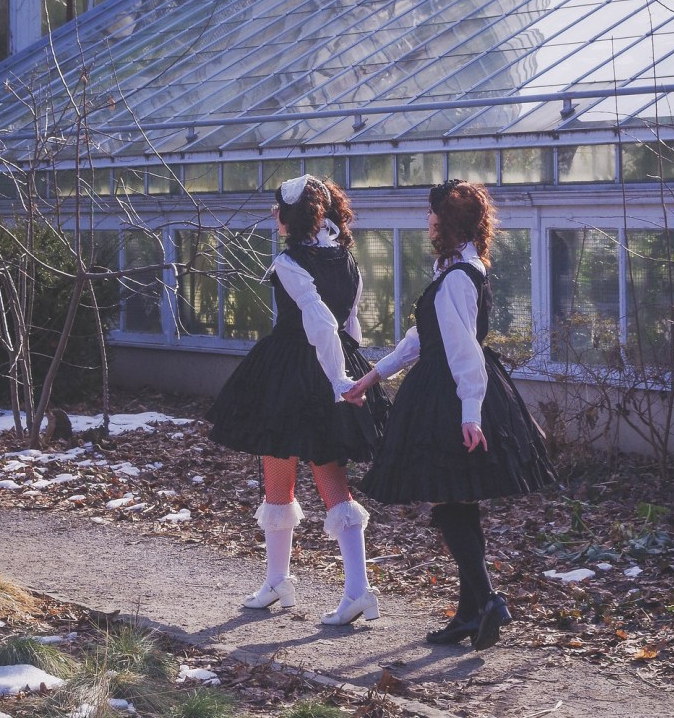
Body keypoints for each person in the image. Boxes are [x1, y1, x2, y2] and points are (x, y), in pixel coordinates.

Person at [345, 179, 556, 651]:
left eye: (432, 214)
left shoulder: (459, 277)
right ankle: (470, 611)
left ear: (447, 222)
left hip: (451, 396)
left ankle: (486, 603)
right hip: (450, 390)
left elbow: (464, 352)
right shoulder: (463, 268)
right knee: (459, 500)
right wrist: (372, 376)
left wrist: (471, 414)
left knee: (450, 498)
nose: (427, 221)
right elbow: (423, 338)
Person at [207, 174, 388, 626]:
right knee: (282, 470)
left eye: (277, 209)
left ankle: (358, 590)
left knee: (324, 477)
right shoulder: (347, 259)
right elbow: (350, 326)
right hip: (323, 370)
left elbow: (323, 323)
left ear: (291, 215)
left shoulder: (290, 261)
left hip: (300, 376)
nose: (274, 216)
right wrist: (346, 373)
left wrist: (338, 382)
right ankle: (279, 581)